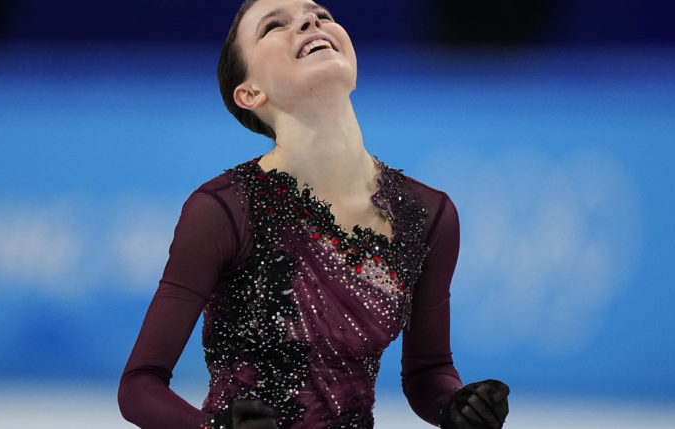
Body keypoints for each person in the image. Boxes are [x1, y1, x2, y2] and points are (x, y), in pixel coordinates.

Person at [117, 0, 510, 428]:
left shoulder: (424, 215)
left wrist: (457, 406)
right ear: (250, 93)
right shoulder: (225, 211)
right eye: (273, 26)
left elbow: (428, 372)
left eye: (321, 14)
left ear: (353, 66)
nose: (310, 21)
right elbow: (140, 384)